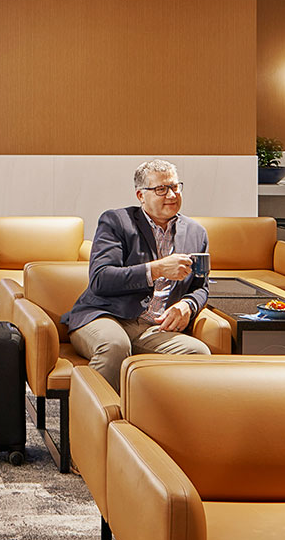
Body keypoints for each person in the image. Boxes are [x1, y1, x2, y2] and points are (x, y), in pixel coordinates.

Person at [62, 159, 212, 387]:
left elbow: (201, 286)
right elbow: (101, 279)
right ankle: (93, 419)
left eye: (175, 187)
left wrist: (188, 305)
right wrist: (157, 269)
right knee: (115, 345)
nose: (171, 195)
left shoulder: (196, 233)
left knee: (198, 353)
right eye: (161, 189)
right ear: (141, 195)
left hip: (154, 326)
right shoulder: (117, 222)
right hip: (105, 315)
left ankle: (162, 420)